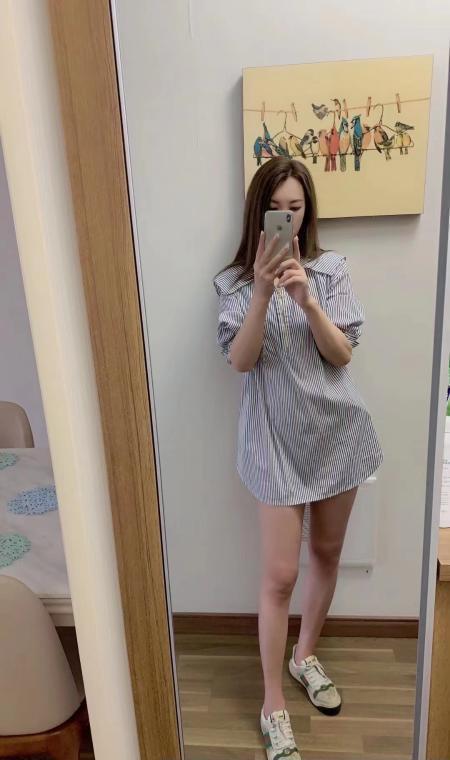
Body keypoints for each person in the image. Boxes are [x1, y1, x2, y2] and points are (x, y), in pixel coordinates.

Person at [213, 157, 383, 760]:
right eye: (275, 208)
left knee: (327, 554)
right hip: (273, 443)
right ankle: (271, 703)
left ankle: (304, 655)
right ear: (258, 214)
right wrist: (262, 293)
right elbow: (240, 361)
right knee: (280, 576)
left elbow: (343, 354)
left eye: (296, 207)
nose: (286, 217)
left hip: (337, 434)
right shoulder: (232, 284)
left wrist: (308, 300)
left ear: (307, 211)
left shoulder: (331, 271)